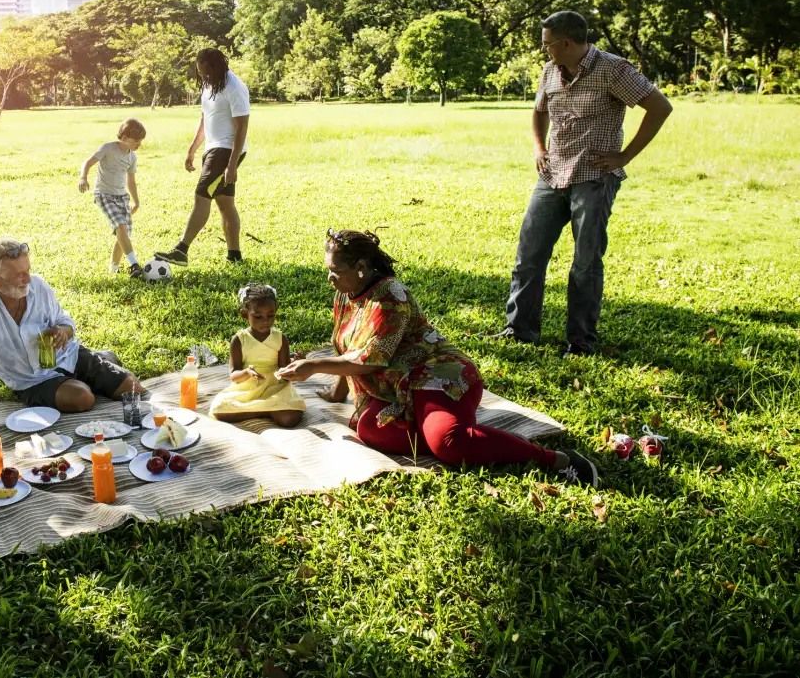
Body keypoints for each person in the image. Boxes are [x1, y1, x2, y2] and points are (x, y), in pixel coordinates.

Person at [278, 229, 599, 486]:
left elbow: (370, 360)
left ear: (361, 269)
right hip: (397, 389)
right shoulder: (347, 294)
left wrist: (312, 366)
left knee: (448, 443)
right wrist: (337, 392)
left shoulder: (390, 297)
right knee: (370, 429)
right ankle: (451, 432)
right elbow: (346, 345)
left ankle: (556, 459)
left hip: (437, 377)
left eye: (335, 271)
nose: (329, 278)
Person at [496, 10, 673, 357]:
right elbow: (539, 110)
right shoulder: (550, 70)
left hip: (593, 177)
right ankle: (519, 331)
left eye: (548, 45)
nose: (545, 51)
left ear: (566, 42)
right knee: (529, 255)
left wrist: (624, 157)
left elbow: (660, 107)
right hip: (552, 174)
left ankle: (580, 342)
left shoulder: (614, 69)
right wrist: (538, 146)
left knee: (585, 262)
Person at [0, 238, 142, 436]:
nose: (28, 278)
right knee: (83, 398)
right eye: (19, 274)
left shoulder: (38, 286)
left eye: (28, 270)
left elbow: (64, 320)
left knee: (133, 389)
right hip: (31, 379)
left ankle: (99, 362)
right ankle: (98, 367)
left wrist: (62, 331)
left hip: (69, 355)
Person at [154, 47, 250, 266]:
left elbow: (242, 127)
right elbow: (205, 119)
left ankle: (181, 249)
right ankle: (235, 256)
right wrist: (192, 149)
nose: (204, 77)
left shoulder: (234, 87)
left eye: (207, 72)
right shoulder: (209, 85)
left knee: (201, 195)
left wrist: (232, 165)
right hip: (213, 149)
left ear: (218, 67)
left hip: (227, 150)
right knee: (225, 203)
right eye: (200, 73)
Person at [209, 283, 306, 427]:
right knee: (219, 410)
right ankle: (266, 410)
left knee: (289, 418)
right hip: (248, 388)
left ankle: (261, 409)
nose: (265, 321)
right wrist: (247, 373)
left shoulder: (280, 338)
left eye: (270, 315)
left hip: (275, 386)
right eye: (258, 316)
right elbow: (234, 376)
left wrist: (295, 364)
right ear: (245, 314)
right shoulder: (239, 340)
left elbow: (284, 372)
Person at [78, 118, 145, 278]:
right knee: (120, 227)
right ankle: (134, 265)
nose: (139, 145)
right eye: (136, 141)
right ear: (125, 137)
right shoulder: (108, 148)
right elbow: (88, 162)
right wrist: (83, 177)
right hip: (104, 194)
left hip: (122, 197)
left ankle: (113, 269)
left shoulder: (132, 158)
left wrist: (136, 201)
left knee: (123, 235)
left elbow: (131, 181)